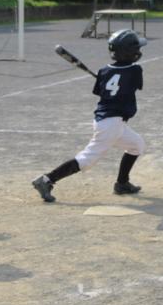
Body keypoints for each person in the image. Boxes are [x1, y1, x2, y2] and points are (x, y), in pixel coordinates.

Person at [32, 30, 147, 202]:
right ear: (130, 52)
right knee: (87, 159)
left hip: (110, 122)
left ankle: (122, 183)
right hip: (111, 124)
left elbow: (101, 92)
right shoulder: (135, 70)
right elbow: (134, 86)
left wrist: (105, 79)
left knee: (136, 144)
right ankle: (47, 180)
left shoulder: (104, 70)